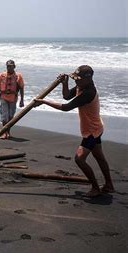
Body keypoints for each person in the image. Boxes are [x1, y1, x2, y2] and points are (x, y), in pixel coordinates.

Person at [34, 65, 115, 197]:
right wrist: (64, 83)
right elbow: (66, 96)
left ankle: (95, 188)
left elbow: (66, 107)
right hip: (95, 127)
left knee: (79, 159)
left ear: (88, 79)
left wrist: (44, 102)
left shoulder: (89, 92)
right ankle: (109, 185)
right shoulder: (80, 86)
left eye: (79, 79)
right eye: (75, 79)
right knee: (99, 157)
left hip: (92, 131)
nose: (76, 81)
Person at [0, 59, 24, 139]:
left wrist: (22, 100)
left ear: (14, 67)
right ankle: (4, 133)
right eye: (8, 66)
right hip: (3, 97)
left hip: (13, 98)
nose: (9, 68)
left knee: (10, 116)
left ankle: (8, 132)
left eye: (10, 66)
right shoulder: (2, 75)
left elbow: (21, 88)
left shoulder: (18, 76)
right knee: (4, 116)